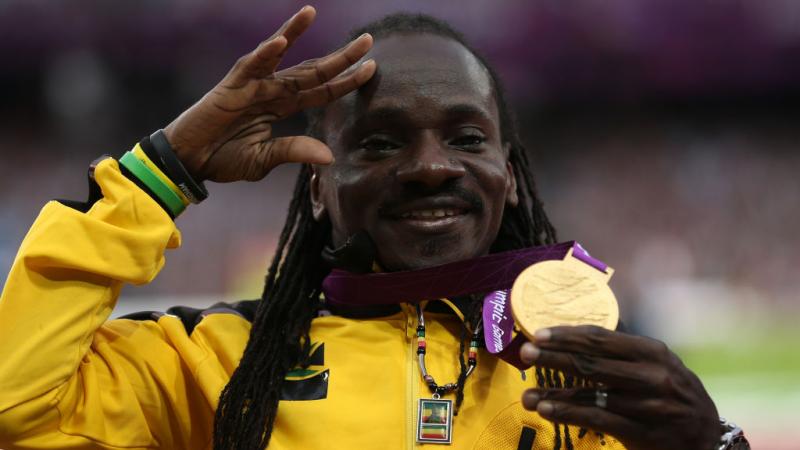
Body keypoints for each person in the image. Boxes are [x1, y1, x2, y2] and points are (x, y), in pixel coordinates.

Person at [0, 6, 748, 450]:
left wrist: (712, 444)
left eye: (466, 137)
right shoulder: (216, 364)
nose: (431, 167)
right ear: (320, 188)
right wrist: (161, 172)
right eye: (379, 142)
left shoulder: (583, 380)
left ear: (509, 174)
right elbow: (13, 409)